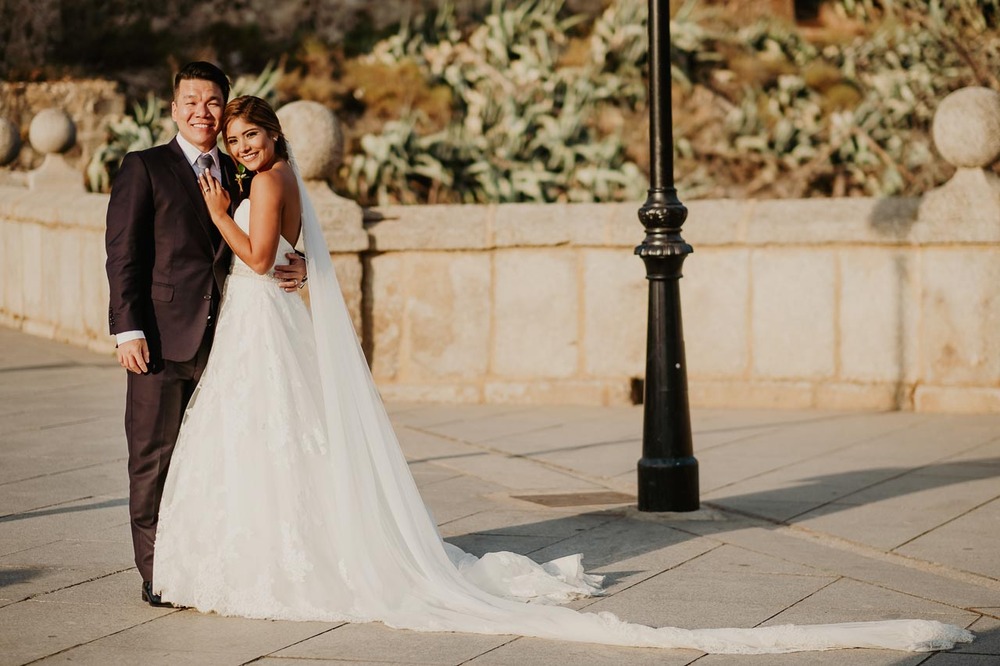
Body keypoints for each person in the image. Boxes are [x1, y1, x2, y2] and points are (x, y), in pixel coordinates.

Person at [151, 95, 973, 655]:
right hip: (266, 328)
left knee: (278, 437)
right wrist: (263, 236)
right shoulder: (263, 178)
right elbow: (284, 258)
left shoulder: (267, 180)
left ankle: (287, 556)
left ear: (275, 141)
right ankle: (278, 546)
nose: (242, 146)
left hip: (265, 320)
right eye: (234, 140)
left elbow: (259, 256)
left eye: (251, 137)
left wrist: (220, 208)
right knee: (278, 440)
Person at [105, 63, 306, 609]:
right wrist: (127, 329)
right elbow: (124, 255)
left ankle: (204, 563)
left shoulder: (244, 167)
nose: (203, 111)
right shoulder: (143, 167)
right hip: (161, 339)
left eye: (213, 102)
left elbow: (271, 230)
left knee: (213, 459)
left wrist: (301, 262)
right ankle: (157, 573)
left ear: (224, 111)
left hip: (233, 341)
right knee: (152, 457)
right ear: (173, 109)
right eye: (191, 101)